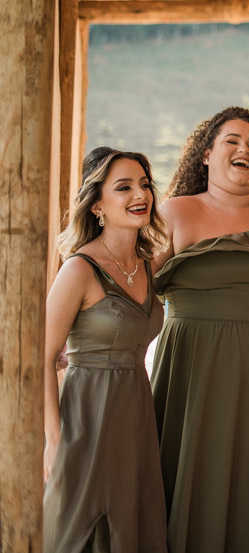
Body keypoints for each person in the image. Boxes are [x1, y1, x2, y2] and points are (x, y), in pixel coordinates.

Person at [152, 107, 249, 553]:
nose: (245, 150)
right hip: (189, 368)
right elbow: (132, 289)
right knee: (186, 476)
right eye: (232, 141)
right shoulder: (173, 213)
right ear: (205, 154)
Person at [43, 147, 168, 553]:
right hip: (86, 417)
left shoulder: (150, 266)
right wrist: (54, 439)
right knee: (77, 529)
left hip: (135, 416)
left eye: (145, 184)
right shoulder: (79, 268)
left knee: (132, 524)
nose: (140, 195)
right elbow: (43, 357)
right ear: (97, 204)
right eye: (124, 187)